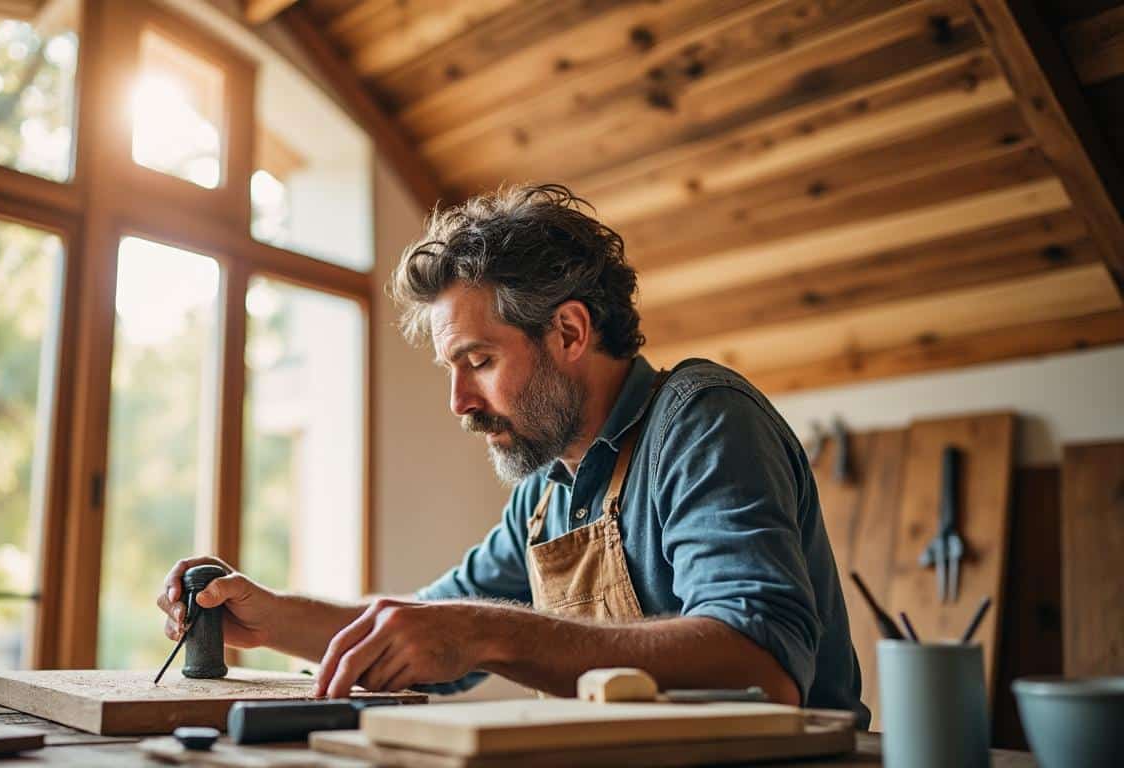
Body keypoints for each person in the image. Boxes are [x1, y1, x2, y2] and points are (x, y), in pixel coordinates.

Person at [156, 184, 869, 726]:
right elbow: (422, 629)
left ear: (567, 332)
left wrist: (486, 631)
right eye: (451, 369)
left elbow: (763, 671)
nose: (460, 402)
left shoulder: (705, 423)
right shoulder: (546, 492)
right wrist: (269, 614)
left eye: (479, 360)